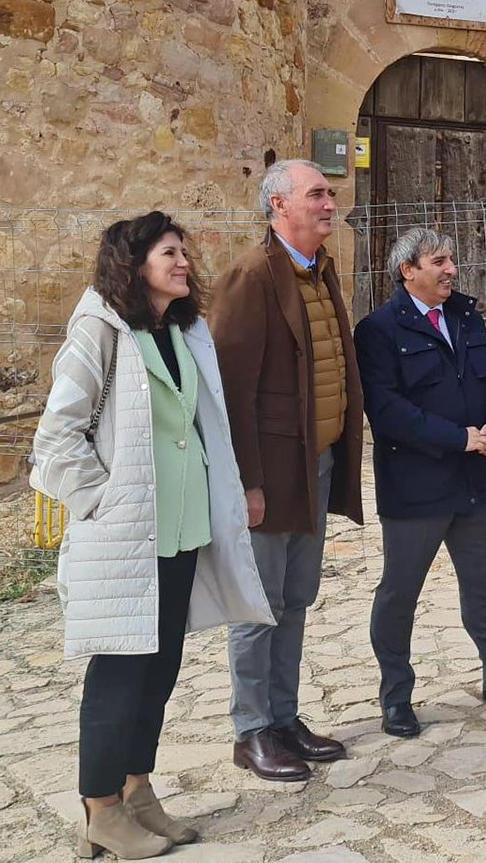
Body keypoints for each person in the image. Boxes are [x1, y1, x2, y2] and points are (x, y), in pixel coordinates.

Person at [31, 212, 274, 860]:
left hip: (182, 530)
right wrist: (104, 502)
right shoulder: (100, 331)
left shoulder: (182, 330)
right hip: (126, 534)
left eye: (183, 251)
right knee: (119, 671)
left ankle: (138, 790)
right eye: (169, 252)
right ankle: (100, 809)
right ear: (132, 263)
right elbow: (56, 440)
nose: (183, 261)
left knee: (159, 669)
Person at [355, 227, 486, 738]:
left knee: (483, 584)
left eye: (451, 260)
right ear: (408, 271)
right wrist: (457, 438)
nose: (451, 269)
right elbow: (386, 411)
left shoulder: (466, 315)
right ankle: (396, 697)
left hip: (472, 481)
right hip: (416, 487)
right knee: (400, 593)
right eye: (439, 261)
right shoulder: (378, 330)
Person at [208, 159, 365, 781]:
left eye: (330, 193)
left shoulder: (320, 270)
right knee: (259, 603)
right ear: (280, 207)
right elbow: (228, 389)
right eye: (318, 194)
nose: (331, 203)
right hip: (269, 476)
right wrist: (246, 480)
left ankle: (283, 717)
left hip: (314, 464)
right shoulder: (251, 275)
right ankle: (251, 731)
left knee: (296, 598)